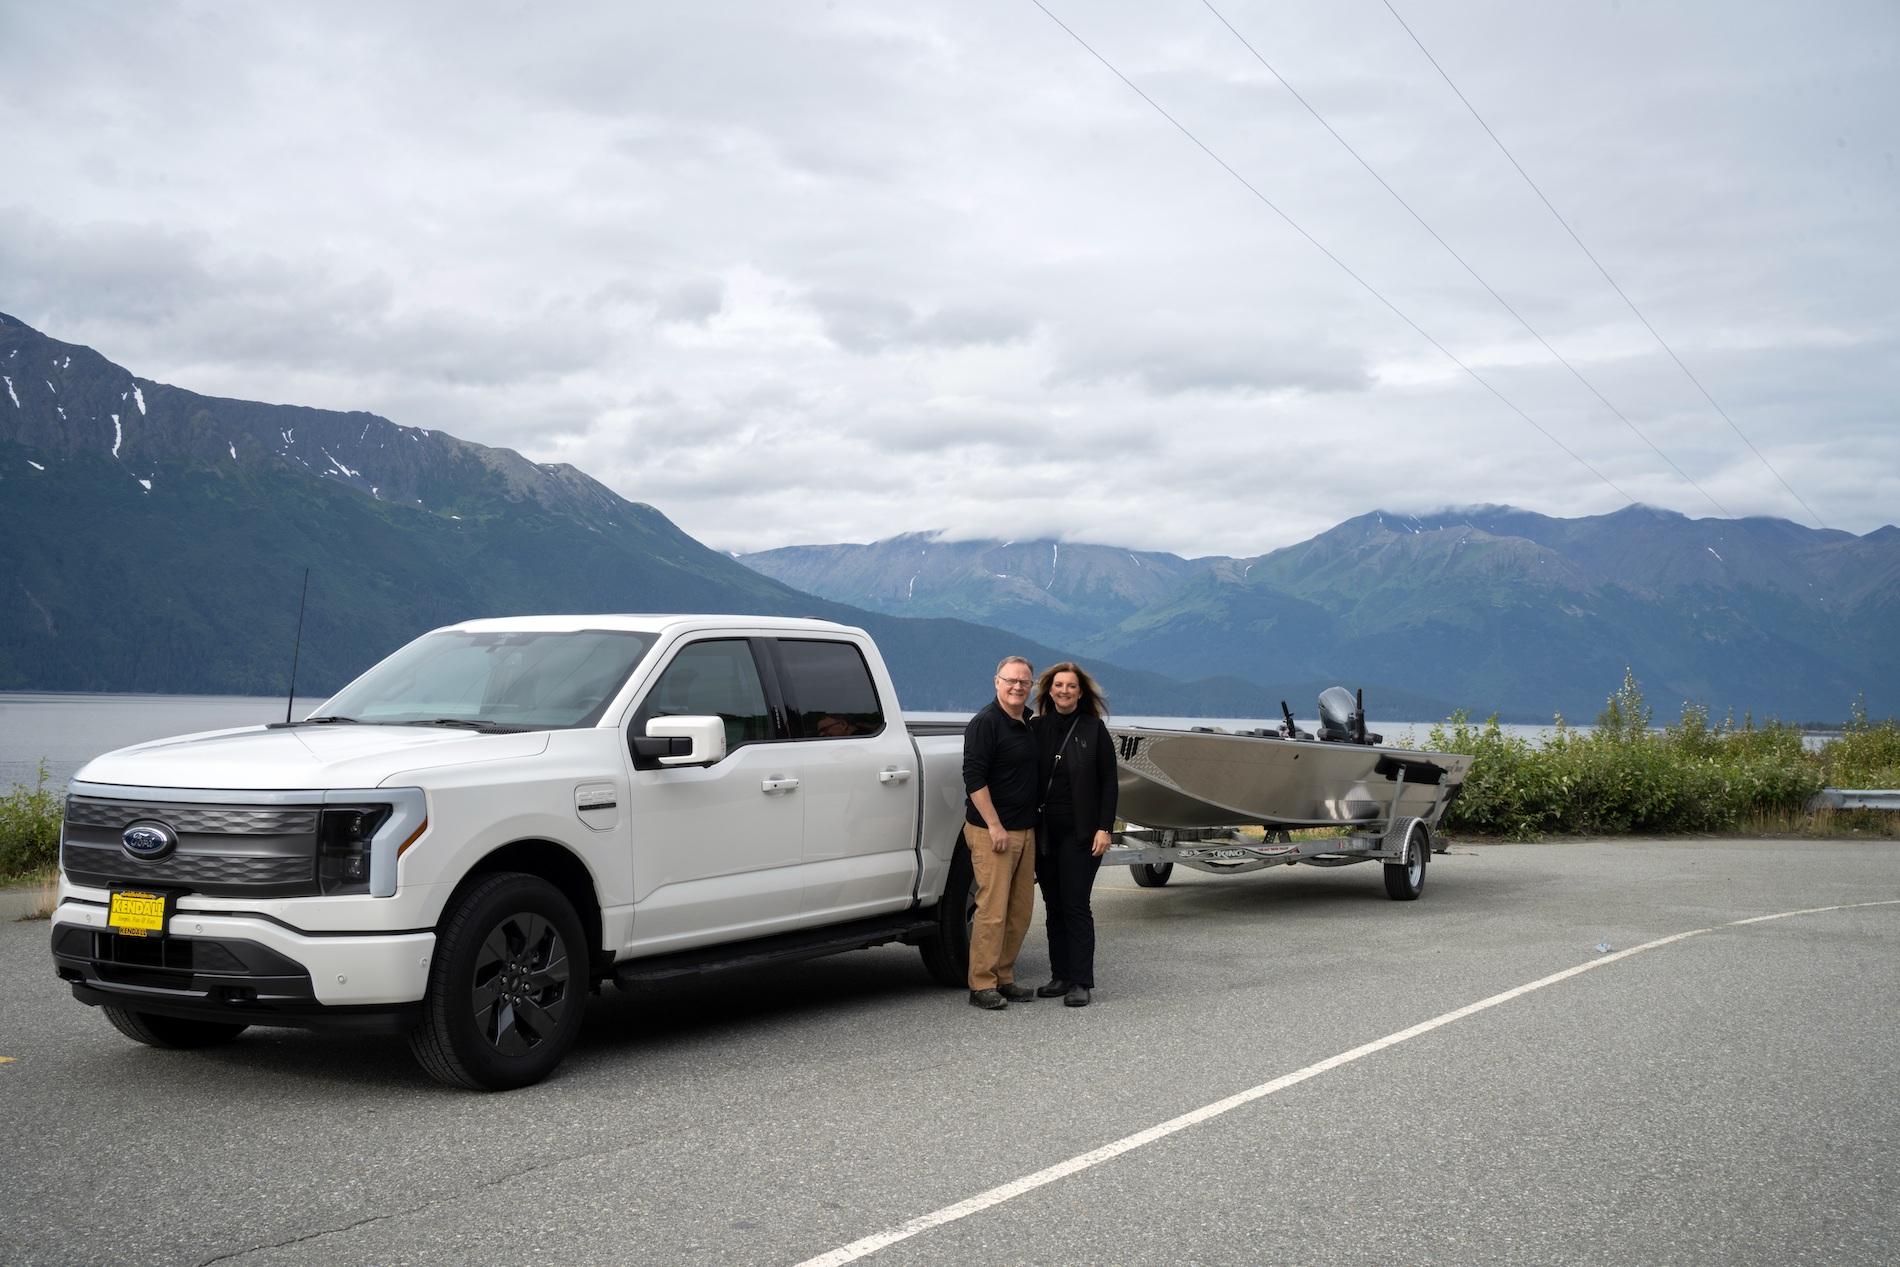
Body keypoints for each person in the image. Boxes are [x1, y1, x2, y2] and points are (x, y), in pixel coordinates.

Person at [1030, 661, 1117, 1007]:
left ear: (1081, 693)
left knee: (1076, 904)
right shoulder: (1035, 728)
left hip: (1082, 833)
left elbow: (1109, 782)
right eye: (1058, 685)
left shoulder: (1094, 729)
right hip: (1045, 832)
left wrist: (1105, 828)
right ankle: (1060, 975)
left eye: (1071, 686)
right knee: (1054, 905)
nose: (1064, 691)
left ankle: (1081, 981)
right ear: (1049, 690)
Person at [961, 655, 1040, 1010]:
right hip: (992, 831)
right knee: (992, 910)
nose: (1017, 687)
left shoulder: (1030, 722)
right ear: (996, 682)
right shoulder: (985, 723)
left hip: (1026, 830)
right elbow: (974, 778)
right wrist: (994, 825)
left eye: (1023, 682)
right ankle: (981, 984)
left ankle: (1004, 977)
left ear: (1032, 686)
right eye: (1010, 680)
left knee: (1020, 910)